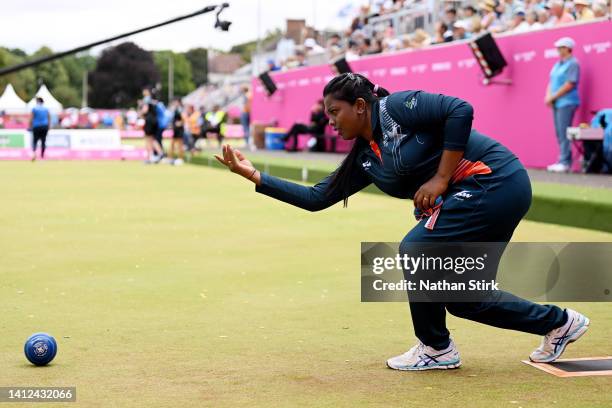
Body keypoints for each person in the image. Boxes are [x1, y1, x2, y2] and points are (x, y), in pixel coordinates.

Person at [215, 73, 589, 371]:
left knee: (415, 250)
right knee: (464, 298)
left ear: (360, 106)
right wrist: (255, 176)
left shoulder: (395, 109)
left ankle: (436, 348)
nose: (329, 121)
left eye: (335, 111)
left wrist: (441, 179)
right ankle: (558, 323)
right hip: (485, 195)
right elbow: (317, 198)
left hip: (495, 180)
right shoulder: (366, 158)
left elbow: (460, 109)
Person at [546, 37, 580, 173]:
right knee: (559, 132)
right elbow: (551, 81)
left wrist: (552, 97)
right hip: (557, 102)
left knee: (564, 131)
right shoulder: (557, 64)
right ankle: (562, 160)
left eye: (560, 47)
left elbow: (570, 84)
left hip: (567, 102)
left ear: (567, 48)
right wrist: (548, 96)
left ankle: (565, 162)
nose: (558, 50)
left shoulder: (573, 63)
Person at [30, 97, 51, 161]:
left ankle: (34, 153)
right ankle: (42, 156)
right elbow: (49, 117)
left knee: (35, 141)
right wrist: (48, 126)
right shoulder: (46, 109)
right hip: (44, 126)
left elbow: (31, 118)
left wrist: (30, 126)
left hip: (36, 126)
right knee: (43, 141)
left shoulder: (34, 108)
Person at [170, 98, 185, 165]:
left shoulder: (180, 109)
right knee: (173, 143)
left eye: (175, 102)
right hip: (175, 129)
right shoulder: (176, 109)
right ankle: (171, 158)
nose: (174, 103)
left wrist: (180, 123)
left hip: (179, 129)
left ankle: (180, 158)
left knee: (180, 144)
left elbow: (183, 118)